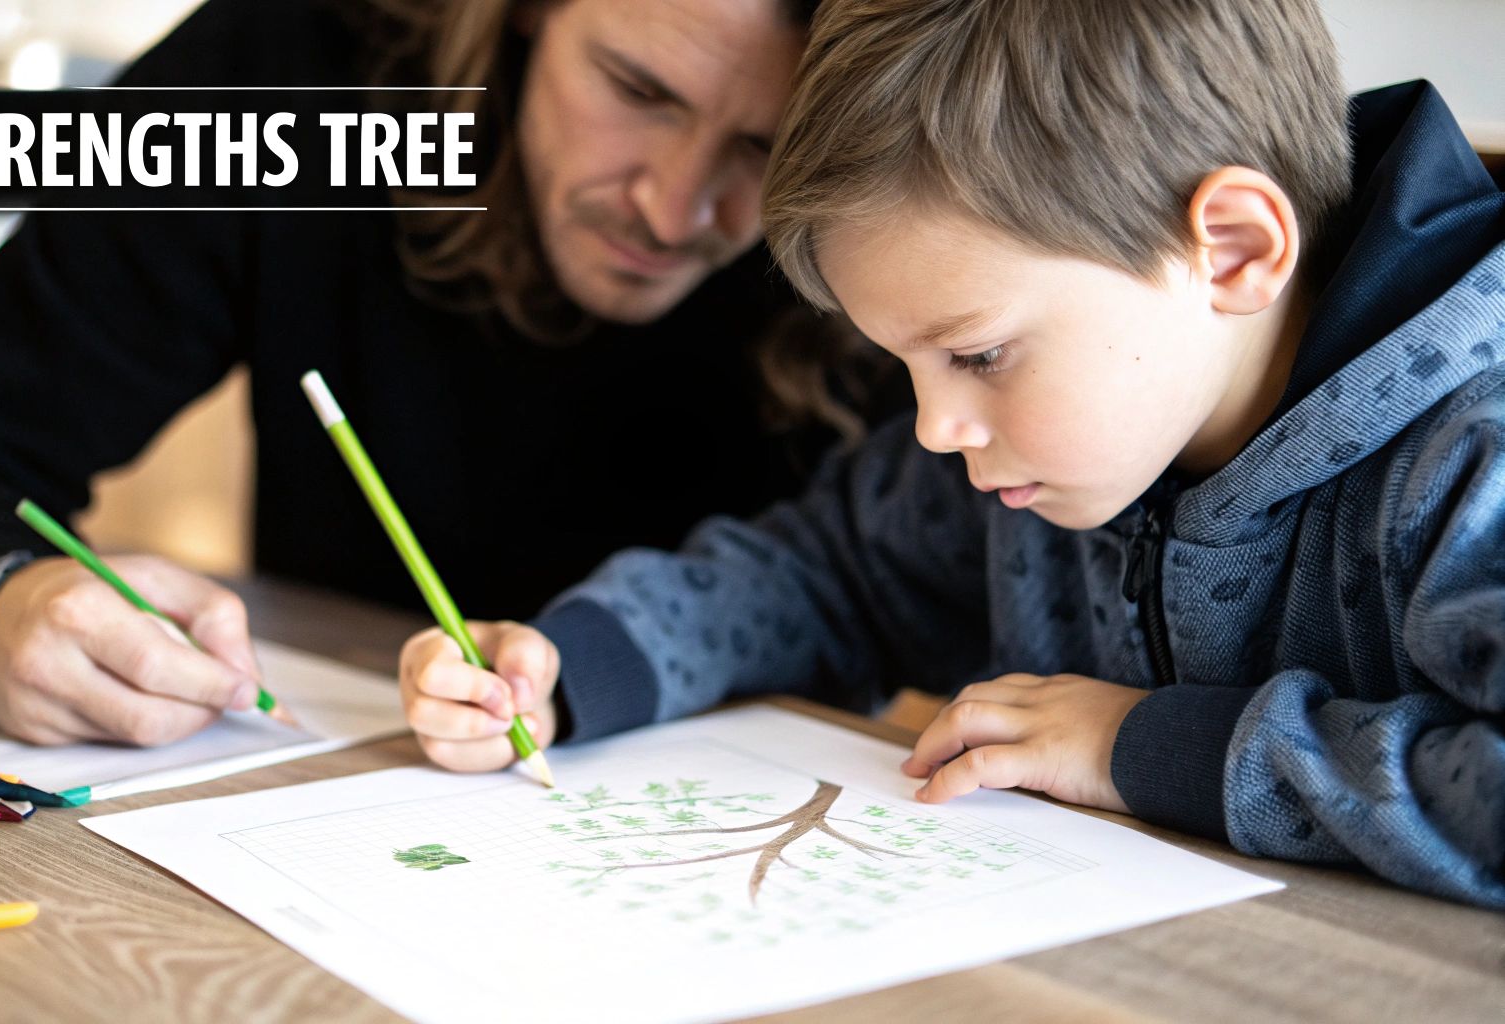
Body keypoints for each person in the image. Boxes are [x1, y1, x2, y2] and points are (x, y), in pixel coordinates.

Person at [397, 0, 1505, 907]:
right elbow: (819, 574)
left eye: (975, 354)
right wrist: (570, 668)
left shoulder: (1472, 454)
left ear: (1227, 251)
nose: (932, 429)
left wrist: (1152, 746)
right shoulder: (1029, 446)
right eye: (905, 364)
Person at [0, 0, 890, 748]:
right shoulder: (291, 76)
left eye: (766, 148)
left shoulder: (907, 199)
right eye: (635, 88)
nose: (670, 204)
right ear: (524, 11)